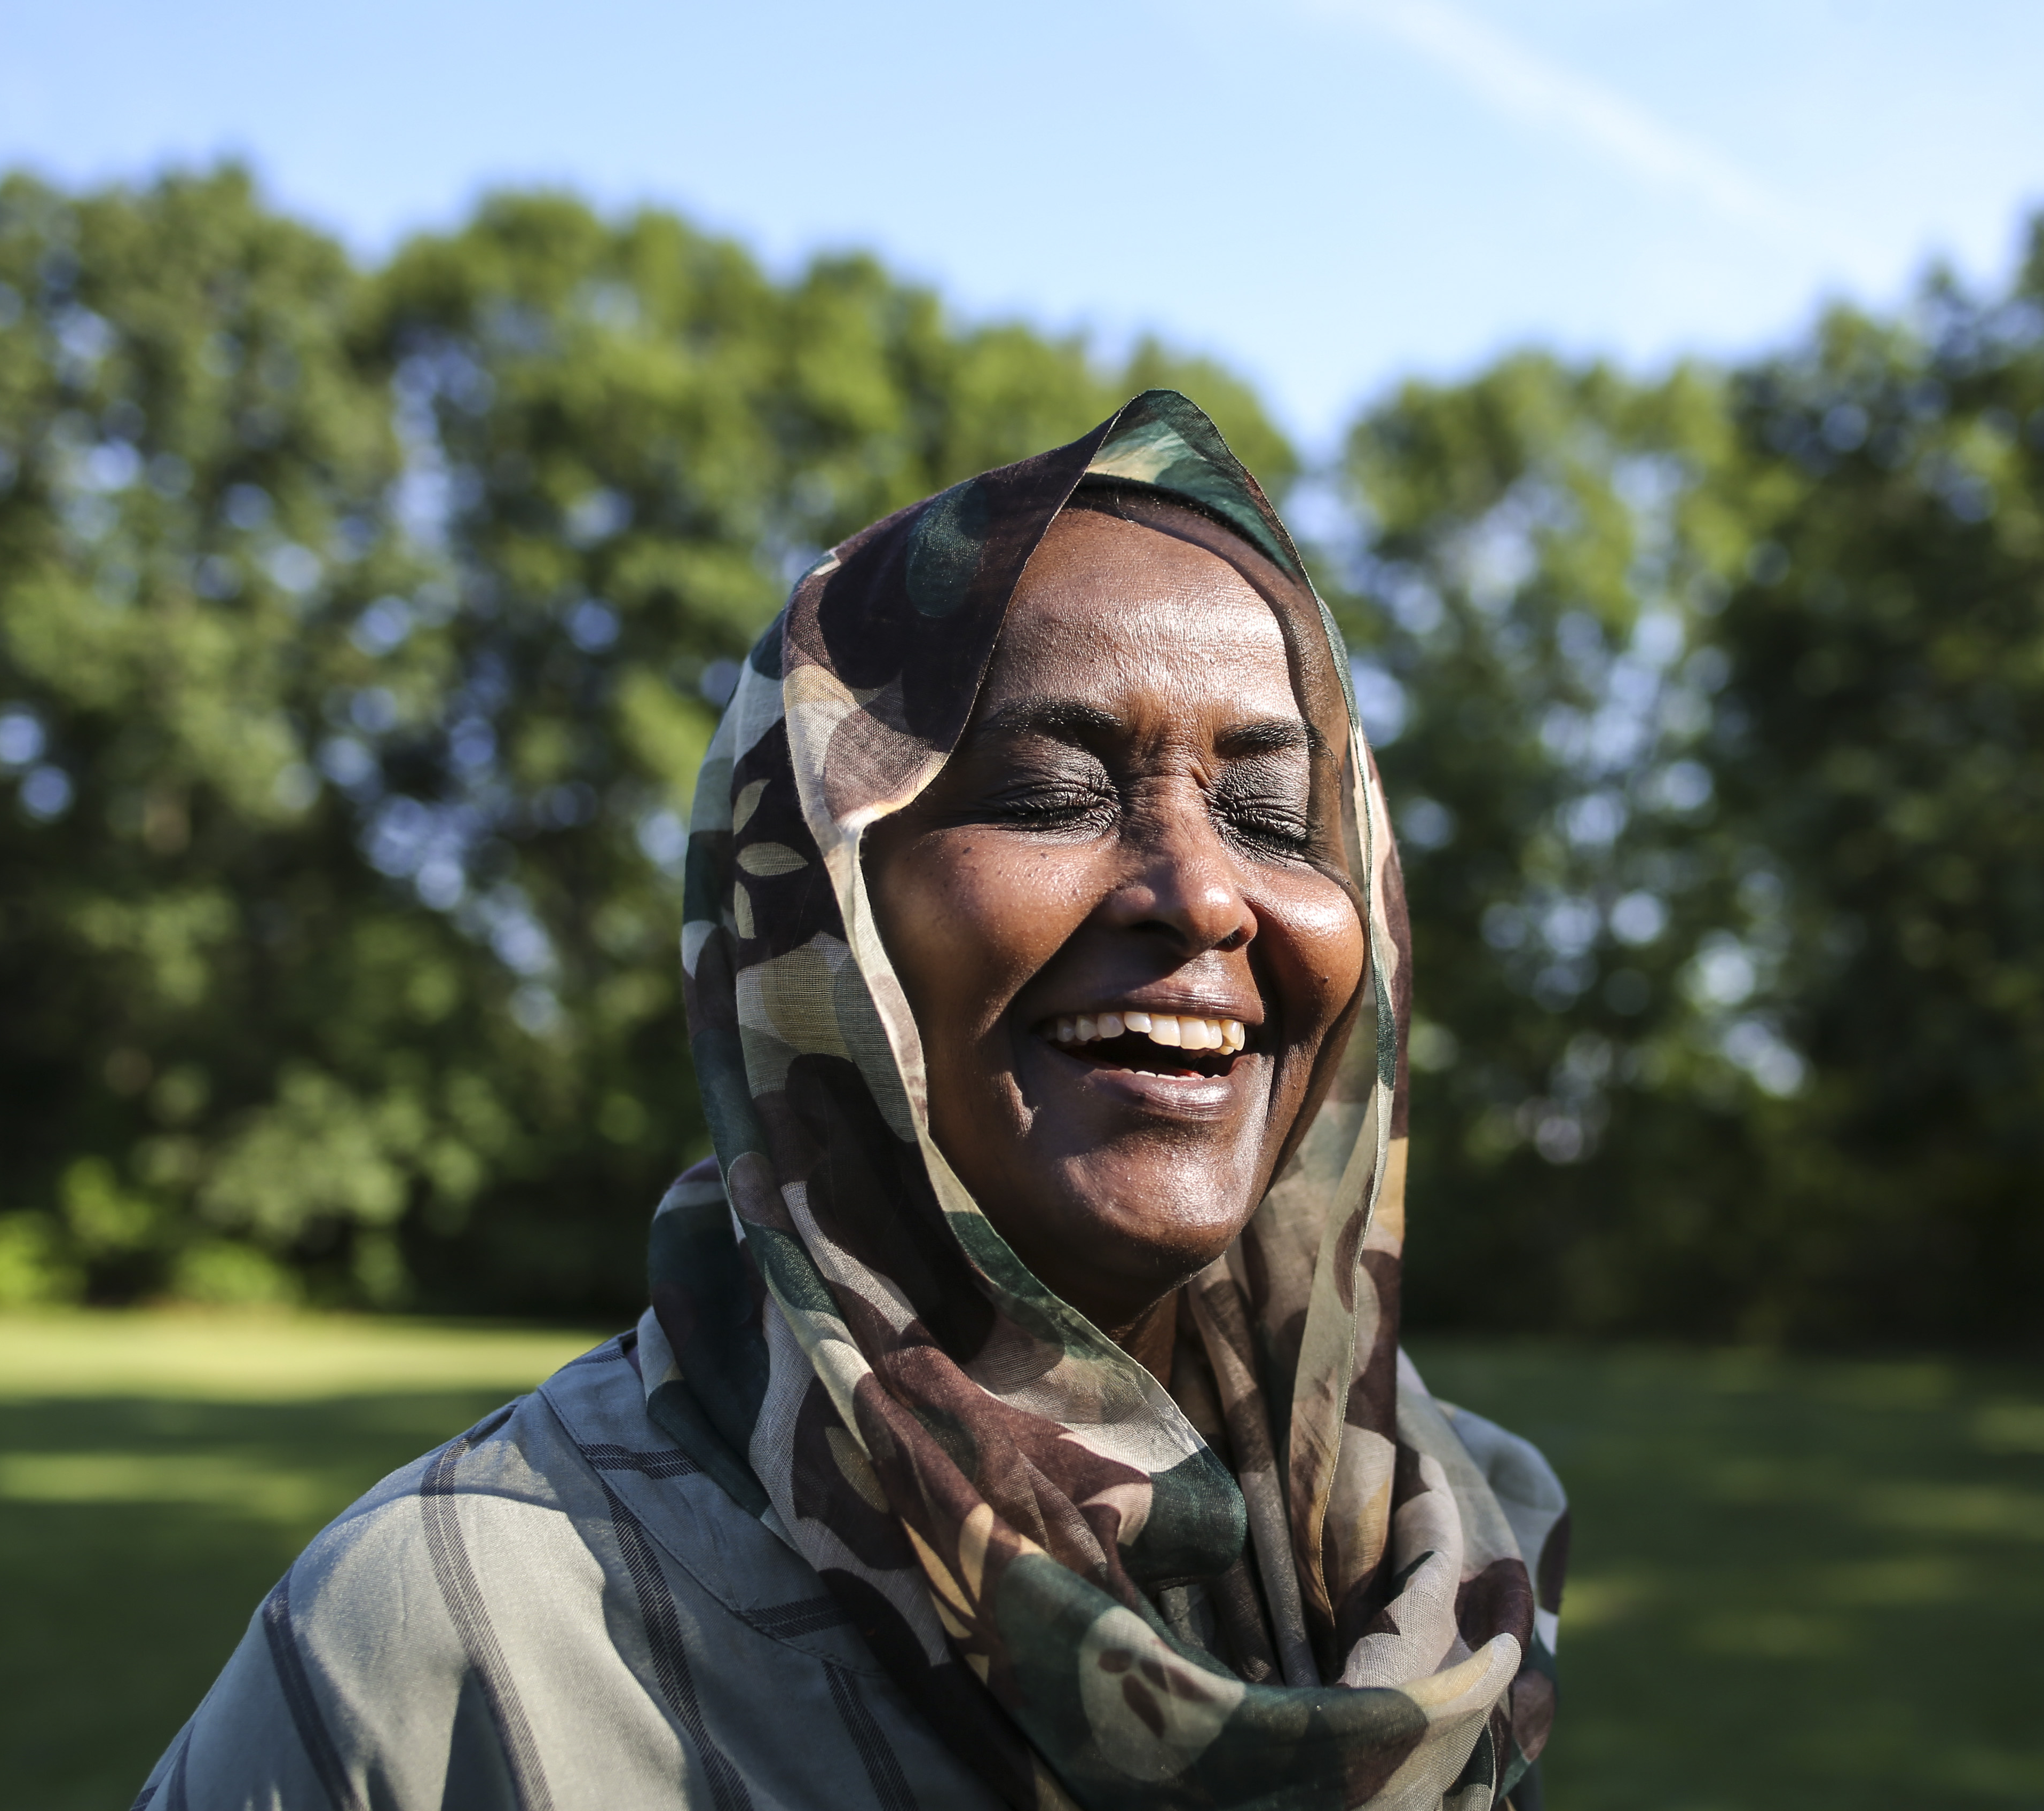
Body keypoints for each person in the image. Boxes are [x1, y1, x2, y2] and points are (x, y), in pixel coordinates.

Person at [134, 392, 1568, 1811]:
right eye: (1052, 790)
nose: (1200, 888)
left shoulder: (1434, 1560)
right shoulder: (451, 1637)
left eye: (1269, 818)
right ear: (814, 920)